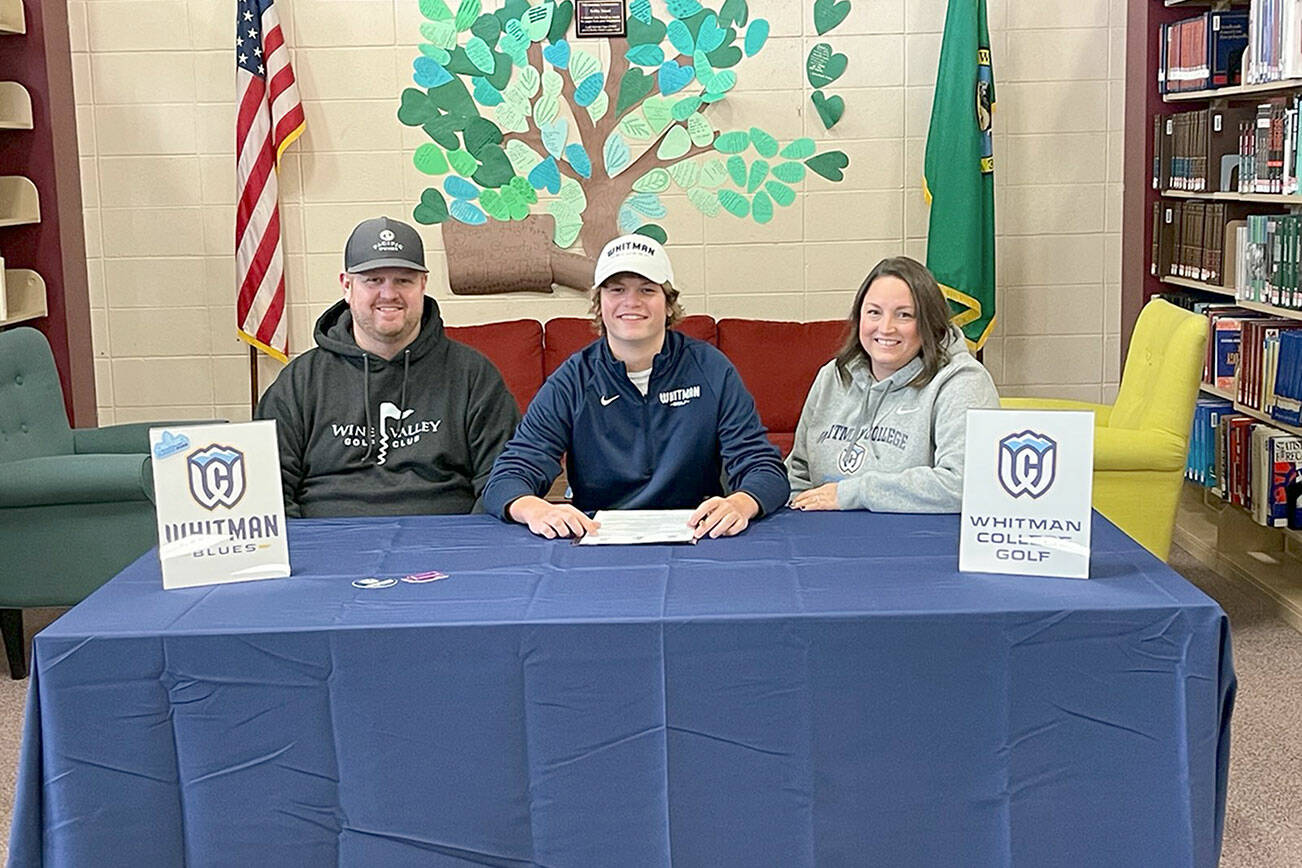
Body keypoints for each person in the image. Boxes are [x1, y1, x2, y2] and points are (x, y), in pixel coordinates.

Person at [482, 235, 790, 539]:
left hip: (698, 537)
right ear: (599, 304)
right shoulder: (573, 379)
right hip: (597, 540)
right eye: (617, 290)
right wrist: (535, 509)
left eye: (647, 289)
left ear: (669, 304)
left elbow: (765, 468)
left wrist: (740, 503)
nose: (632, 302)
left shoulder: (711, 368)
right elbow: (507, 477)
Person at [255, 216, 520, 517]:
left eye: (403, 280)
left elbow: (502, 481)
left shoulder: (473, 375)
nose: (389, 293)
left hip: (446, 544)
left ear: (423, 284)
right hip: (327, 547)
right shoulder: (300, 382)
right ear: (347, 285)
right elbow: (269, 489)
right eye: (373, 280)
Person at [787, 255, 999, 513]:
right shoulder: (832, 375)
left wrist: (855, 493)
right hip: (823, 536)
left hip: (915, 542)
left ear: (930, 323)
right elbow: (797, 471)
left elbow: (964, 483)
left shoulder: (962, 381)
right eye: (874, 312)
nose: (886, 328)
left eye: (904, 315)